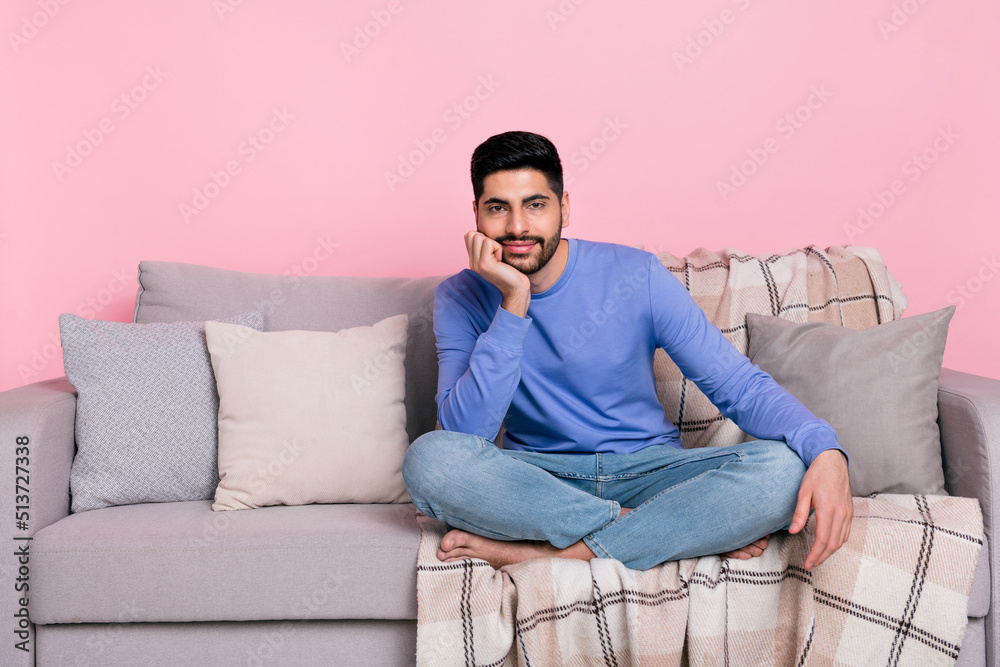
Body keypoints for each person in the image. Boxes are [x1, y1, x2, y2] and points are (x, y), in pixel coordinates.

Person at [402, 131, 852, 572]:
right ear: (476, 215)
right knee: (431, 461)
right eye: (498, 208)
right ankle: (659, 533)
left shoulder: (637, 275)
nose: (518, 227)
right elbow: (464, 437)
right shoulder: (460, 297)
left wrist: (825, 449)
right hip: (540, 483)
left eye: (535, 205)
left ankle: (559, 552)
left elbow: (738, 386)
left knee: (784, 468)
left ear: (565, 207)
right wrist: (513, 303)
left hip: (651, 473)